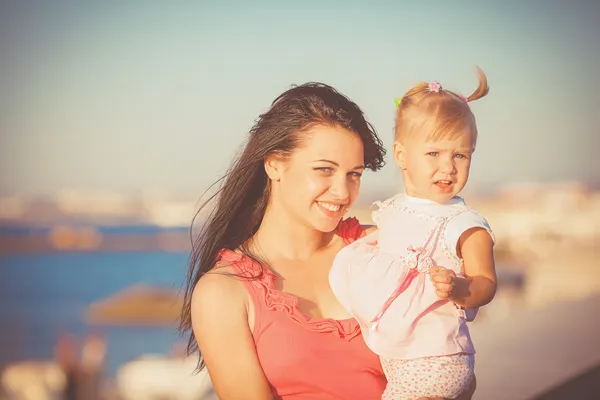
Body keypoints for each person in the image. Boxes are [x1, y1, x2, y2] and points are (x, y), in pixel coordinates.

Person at [180, 82, 477, 400]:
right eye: (324, 170)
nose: (342, 192)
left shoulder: (385, 247)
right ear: (274, 164)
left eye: (354, 174)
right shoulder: (223, 292)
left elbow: (455, 368)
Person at [329, 68, 497, 400]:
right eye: (434, 153)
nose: (448, 167)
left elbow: (486, 283)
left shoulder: (464, 223)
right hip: (404, 357)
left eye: (460, 155)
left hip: (436, 359)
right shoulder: (395, 209)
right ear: (402, 155)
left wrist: (461, 287)